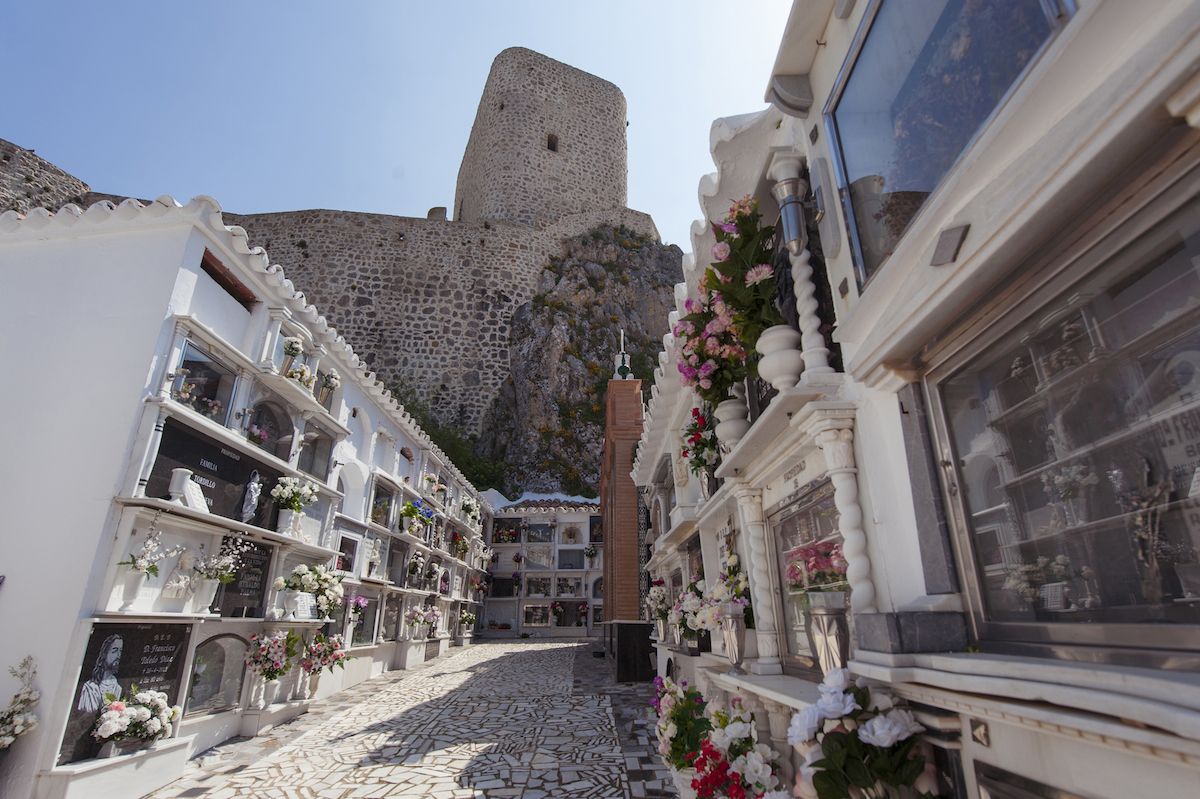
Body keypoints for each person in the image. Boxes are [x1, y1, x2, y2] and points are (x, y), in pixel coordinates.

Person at [77, 634, 122, 712]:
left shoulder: (117, 688)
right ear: (105, 653)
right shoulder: (90, 688)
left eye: (120, 651)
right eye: (114, 650)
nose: (118, 655)